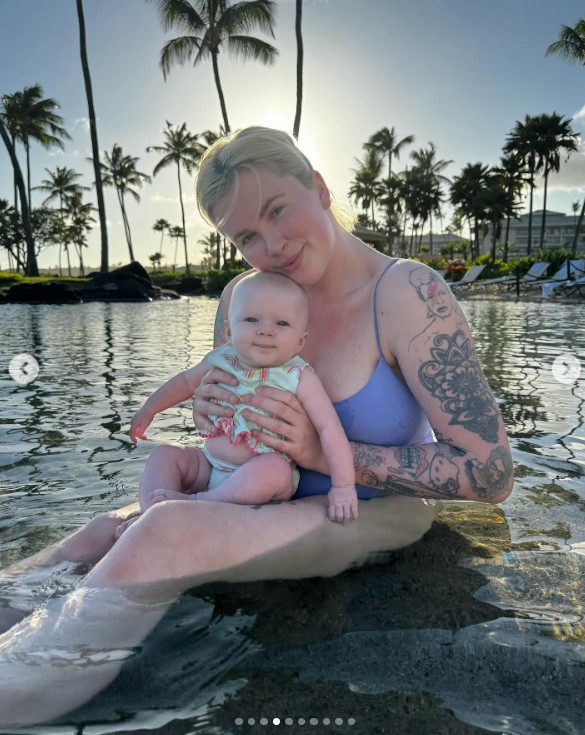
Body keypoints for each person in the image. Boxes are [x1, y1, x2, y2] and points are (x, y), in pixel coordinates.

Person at [0, 126, 513, 726]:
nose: (272, 244)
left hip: (374, 507)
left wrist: (324, 454)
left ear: (318, 188)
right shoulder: (242, 299)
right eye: (247, 235)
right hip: (259, 490)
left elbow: (491, 471)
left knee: (166, 533)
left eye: (277, 210)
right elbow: (224, 422)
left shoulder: (406, 293)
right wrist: (210, 415)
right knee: (99, 533)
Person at [128, 270, 358, 523]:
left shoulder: (299, 376)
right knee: (165, 453)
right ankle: (148, 515)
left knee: (275, 469)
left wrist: (343, 486)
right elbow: (184, 382)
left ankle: (196, 503)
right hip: (209, 465)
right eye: (251, 319)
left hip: (262, 478)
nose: (266, 331)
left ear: (300, 341)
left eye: (282, 323)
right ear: (229, 330)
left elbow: (330, 429)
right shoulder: (221, 358)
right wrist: (150, 409)